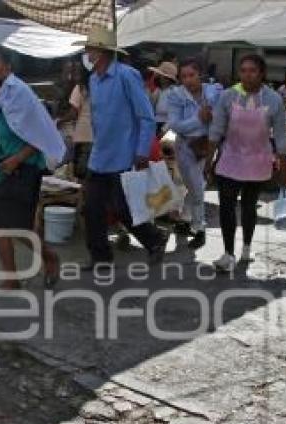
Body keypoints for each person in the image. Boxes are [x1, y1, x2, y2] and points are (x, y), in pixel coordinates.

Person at [0, 48, 66, 290]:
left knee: (20, 227)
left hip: (25, 167)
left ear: (6, 69)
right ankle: (11, 277)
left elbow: (41, 133)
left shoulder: (20, 92)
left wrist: (17, 159)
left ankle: (49, 256)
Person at [72, 26, 168, 268]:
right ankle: (100, 256)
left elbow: (146, 116)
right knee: (92, 207)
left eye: (90, 48)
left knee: (124, 208)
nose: (87, 53)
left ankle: (155, 239)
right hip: (100, 152)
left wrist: (142, 151)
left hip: (125, 153)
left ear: (101, 52)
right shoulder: (94, 79)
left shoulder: (127, 75)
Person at [207, 53, 286, 272]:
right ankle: (228, 253)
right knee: (226, 207)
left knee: (249, 207)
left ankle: (246, 247)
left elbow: (280, 135)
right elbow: (216, 131)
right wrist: (209, 161)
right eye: (243, 70)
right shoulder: (228, 96)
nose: (247, 75)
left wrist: (283, 163)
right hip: (230, 158)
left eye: (252, 70)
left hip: (258, 160)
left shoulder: (273, 99)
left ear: (262, 73)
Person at [167, 58, 223, 250]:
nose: (188, 80)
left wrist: (214, 116)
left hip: (207, 146)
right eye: (183, 76)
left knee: (197, 186)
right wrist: (198, 118)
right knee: (197, 188)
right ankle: (199, 228)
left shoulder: (213, 91)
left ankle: (185, 219)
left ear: (200, 74)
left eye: (191, 75)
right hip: (186, 146)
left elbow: (223, 114)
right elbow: (175, 125)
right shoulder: (175, 95)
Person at [148, 62, 178, 135]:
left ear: (167, 79)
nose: (158, 77)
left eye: (161, 75)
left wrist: (164, 129)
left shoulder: (174, 92)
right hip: (155, 124)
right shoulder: (158, 91)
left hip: (167, 127)